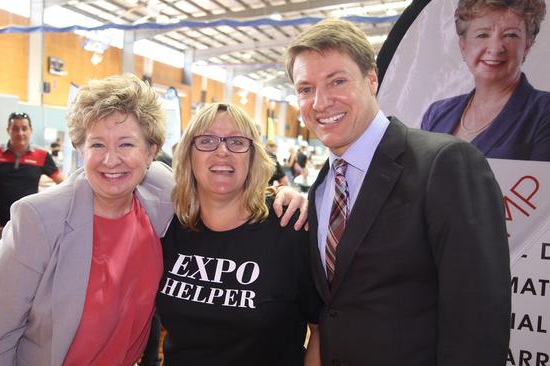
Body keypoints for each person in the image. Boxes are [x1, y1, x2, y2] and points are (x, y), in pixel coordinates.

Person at [0, 75, 308, 365]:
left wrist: (282, 195)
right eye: (97, 144)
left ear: (151, 151)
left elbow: (218, 185)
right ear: (80, 149)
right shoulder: (39, 218)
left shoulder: (161, 198)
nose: (111, 159)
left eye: (127, 144)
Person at [286, 19, 510, 365]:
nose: (320, 102)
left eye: (338, 81)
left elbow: (477, 317)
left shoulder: (444, 164)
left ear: (371, 80)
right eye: (305, 89)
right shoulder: (322, 188)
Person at [156, 103, 321, 366]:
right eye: (207, 141)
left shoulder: (289, 229)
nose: (222, 151)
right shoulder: (169, 225)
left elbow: (322, 329)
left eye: (236, 141)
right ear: (188, 155)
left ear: (253, 156)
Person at [421, 0, 550, 161]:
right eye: (482, 35)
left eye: (510, 35)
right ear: (463, 46)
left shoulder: (544, 112)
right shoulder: (437, 114)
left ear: (527, 45)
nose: (495, 48)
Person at [0, 112, 64, 238]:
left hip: (26, 227)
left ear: (30, 130)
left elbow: (63, 184)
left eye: (24, 128)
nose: (20, 133)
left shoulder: (42, 156)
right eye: (15, 128)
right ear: (8, 130)